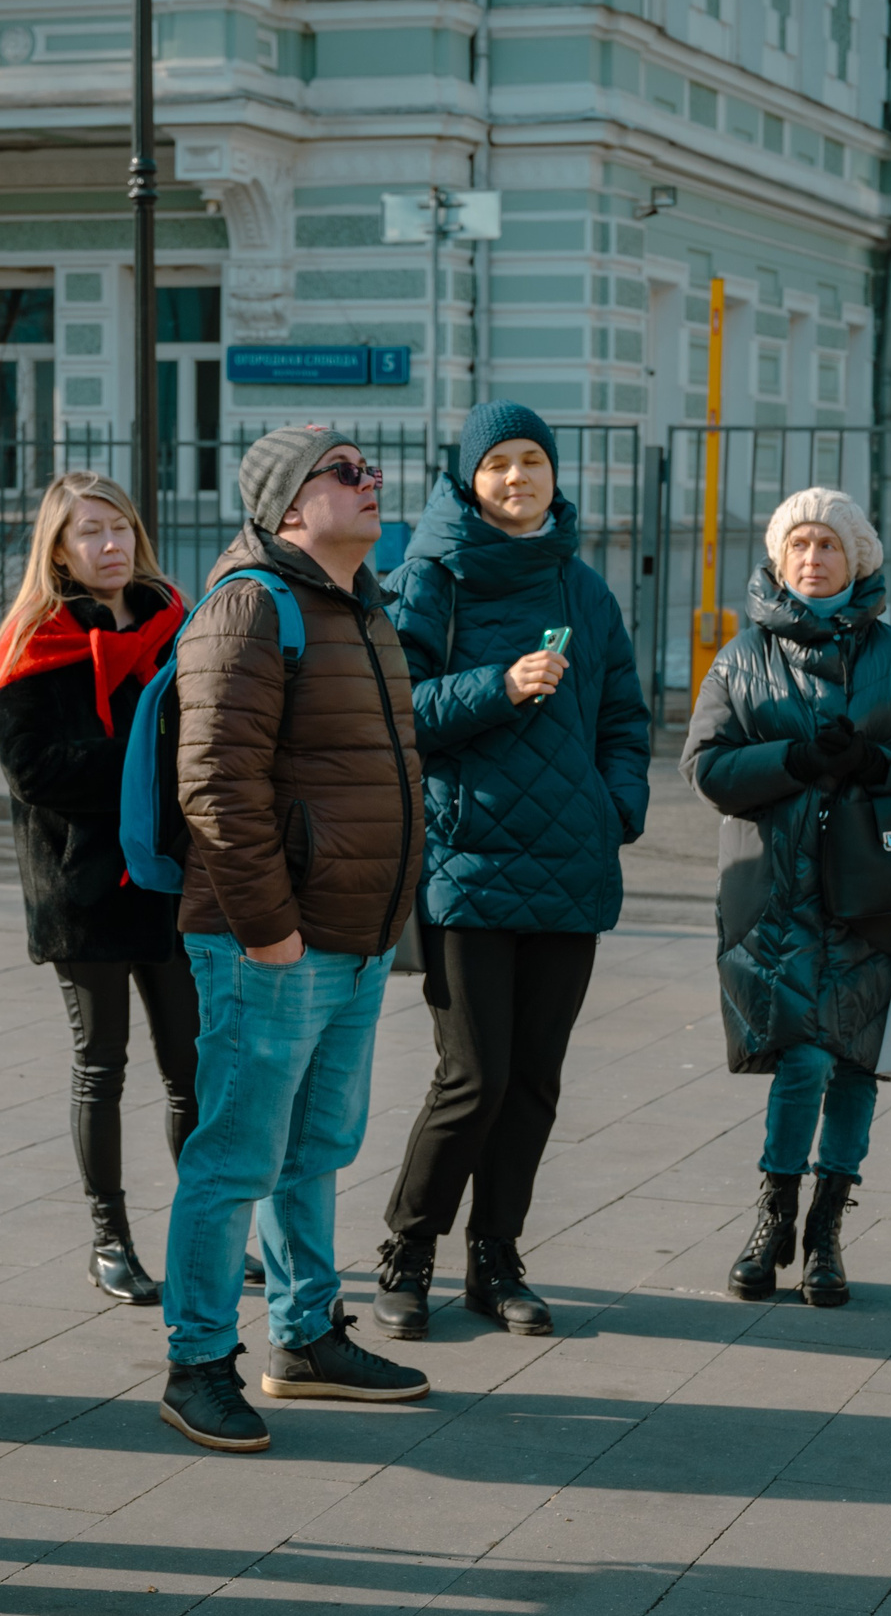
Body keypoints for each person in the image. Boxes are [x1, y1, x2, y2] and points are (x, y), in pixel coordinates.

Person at [156, 425, 430, 1454]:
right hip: (268, 942)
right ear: (285, 505)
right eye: (346, 472)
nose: (372, 482)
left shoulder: (360, 608)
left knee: (314, 1147)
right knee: (234, 1156)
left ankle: (306, 1334)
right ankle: (195, 1360)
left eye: (371, 467)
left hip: (351, 937)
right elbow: (216, 786)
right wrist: (268, 930)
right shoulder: (250, 604)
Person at [369, 400, 652, 1340]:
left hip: (570, 868)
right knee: (473, 1078)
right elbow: (395, 709)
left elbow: (623, 713)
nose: (520, 477)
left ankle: (496, 1259)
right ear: (470, 478)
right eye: (500, 464)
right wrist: (501, 684)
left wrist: (617, 806)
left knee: (534, 1079)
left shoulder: (582, 587)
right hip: (467, 866)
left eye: (534, 460)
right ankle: (407, 1253)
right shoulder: (429, 578)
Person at [681, 488, 891, 1309]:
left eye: (828, 544)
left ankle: (828, 1228)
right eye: (798, 544)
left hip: (874, 888)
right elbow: (705, 767)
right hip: (778, 891)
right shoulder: (740, 658)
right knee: (801, 1054)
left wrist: (879, 766)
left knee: (856, 1062)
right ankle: (774, 1214)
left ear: (858, 558)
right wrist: (795, 762)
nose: (812, 557)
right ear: (778, 558)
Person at [0, 471, 204, 1306]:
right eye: (90, 532)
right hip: (81, 886)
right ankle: (109, 1238)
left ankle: (202, 1228)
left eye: (119, 527)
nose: (110, 544)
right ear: (60, 549)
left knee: (192, 1067)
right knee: (101, 1066)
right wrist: (152, 760)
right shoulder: (33, 640)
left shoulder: (173, 619)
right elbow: (34, 770)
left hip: (169, 878)